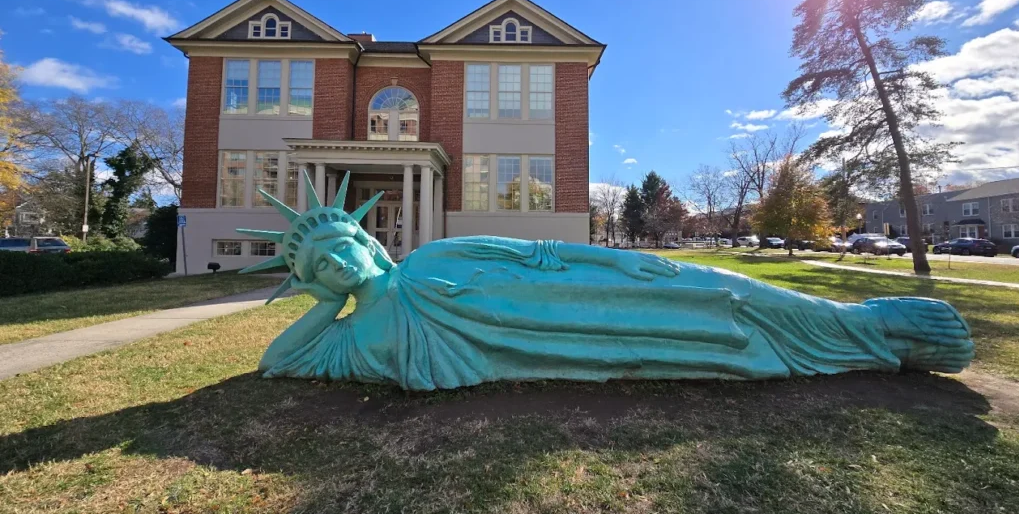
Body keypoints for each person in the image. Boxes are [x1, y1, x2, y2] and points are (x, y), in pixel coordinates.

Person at [238, 173, 973, 391]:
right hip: (594, 343)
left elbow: (545, 258)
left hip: (609, 294)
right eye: (319, 269)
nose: (336, 268)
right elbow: (278, 359)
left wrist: (621, 259)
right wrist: (323, 300)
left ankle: (880, 323)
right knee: (727, 336)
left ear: (367, 239)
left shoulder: (435, 259)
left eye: (339, 251)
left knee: (722, 290)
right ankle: (878, 345)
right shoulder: (351, 338)